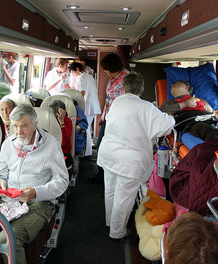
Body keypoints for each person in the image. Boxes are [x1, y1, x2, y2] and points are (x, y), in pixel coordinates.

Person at [0, 104, 69, 264]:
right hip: (7, 201)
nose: (18, 132)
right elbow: (2, 174)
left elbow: (62, 181)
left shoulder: (50, 145)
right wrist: (0, 183)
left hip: (38, 203)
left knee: (9, 238)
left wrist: (36, 192)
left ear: (35, 124)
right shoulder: (8, 144)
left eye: (24, 126)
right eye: (15, 126)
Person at [97, 72, 175, 240]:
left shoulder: (117, 102)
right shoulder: (146, 107)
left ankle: (110, 222)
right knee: (123, 198)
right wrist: (171, 117)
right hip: (129, 161)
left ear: (124, 88)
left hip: (109, 154)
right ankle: (117, 232)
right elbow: (166, 126)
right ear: (141, 89)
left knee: (110, 190)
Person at [94, 53, 129, 182]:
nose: (105, 72)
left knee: (111, 150)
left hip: (119, 121)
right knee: (101, 146)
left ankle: (108, 177)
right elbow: (109, 100)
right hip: (108, 118)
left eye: (106, 69)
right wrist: (103, 117)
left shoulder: (126, 78)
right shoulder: (113, 78)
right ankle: (101, 176)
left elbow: (127, 102)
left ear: (112, 67)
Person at [68, 62, 101, 158]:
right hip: (93, 104)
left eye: (73, 72)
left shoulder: (81, 77)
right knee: (88, 128)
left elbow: (81, 93)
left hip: (88, 105)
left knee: (85, 128)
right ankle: (88, 152)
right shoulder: (89, 76)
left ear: (77, 69)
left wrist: (73, 91)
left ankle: (87, 154)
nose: (73, 75)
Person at [49, 99, 73, 167]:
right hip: (49, 152)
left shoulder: (67, 121)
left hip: (63, 153)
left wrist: (62, 122)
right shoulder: (48, 120)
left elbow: (65, 143)